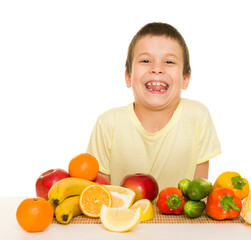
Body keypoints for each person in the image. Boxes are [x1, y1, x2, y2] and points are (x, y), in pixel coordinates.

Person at [87, 22, 221, 190]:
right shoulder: (107, 123)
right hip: (124, 215)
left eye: (169, 62)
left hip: (178, 216)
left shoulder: (197, 116)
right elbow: (99, 195)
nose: (157, 69)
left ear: (185, 79)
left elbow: (199, 192)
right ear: (128, 76)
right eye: (145, 60)